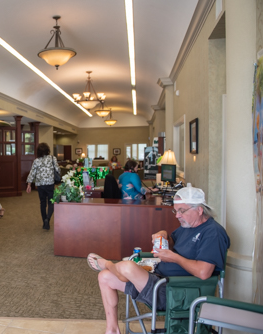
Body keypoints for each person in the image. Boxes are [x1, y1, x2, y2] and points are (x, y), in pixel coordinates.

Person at [87, 186, 230, 334]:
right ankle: (112, 330)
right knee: (104, 277)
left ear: (199, 210)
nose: (177, 216)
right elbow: (173, 242)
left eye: (182, 211)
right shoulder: (188, 226)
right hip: (161, 282)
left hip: (177, 293)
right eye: (176, 211)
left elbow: (204, 272)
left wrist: (174, 258)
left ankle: (108, 264)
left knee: (127, 267)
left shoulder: (213, 233)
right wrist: (163, 235)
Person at [26, 142, 60, 230]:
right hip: (50, 183)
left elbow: (32, 172)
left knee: (42, 202)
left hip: (40, 184)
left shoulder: (36, 161)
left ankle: (44, 220)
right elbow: (58, 170)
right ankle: (48, 219)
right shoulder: (53, 158)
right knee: (51, 202)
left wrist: (29, 184)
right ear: (48, 150)